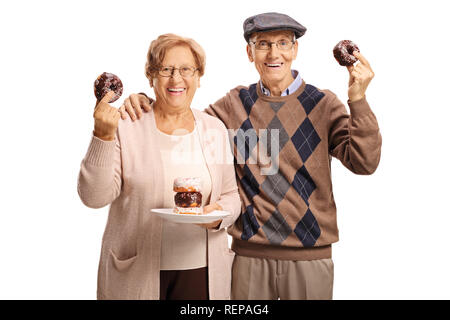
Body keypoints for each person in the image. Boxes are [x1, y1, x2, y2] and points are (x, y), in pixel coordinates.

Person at [120, 12, 382, 300]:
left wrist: (358, 100)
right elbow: (183, 120)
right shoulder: (234, 104)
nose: (274, 53)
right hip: (248, 259)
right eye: (263, 44)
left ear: (295, 50)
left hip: (311, 257)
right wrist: (147, 102)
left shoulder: (324, 104)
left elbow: (365, 162)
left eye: (283, 43)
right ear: (250, 52)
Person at [77, 33, 241, 300]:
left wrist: (218, 216)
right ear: (150, 75)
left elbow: (231, 196)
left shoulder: (214, 128)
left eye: (186, 69)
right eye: (166, 69)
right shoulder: (126, 125)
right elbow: (93, 197)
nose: (176, 79)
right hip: (136, 272)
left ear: (199, 77)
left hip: (203, 272)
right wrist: (102, 135)